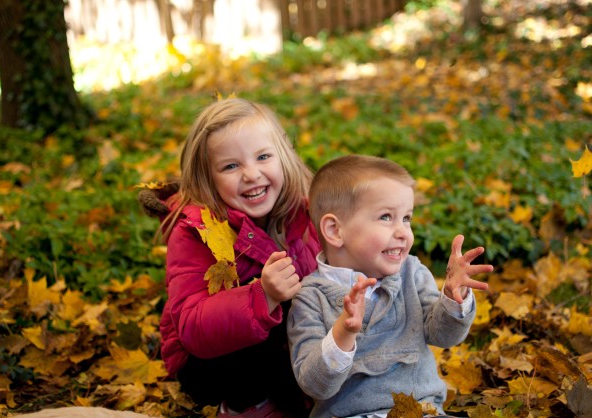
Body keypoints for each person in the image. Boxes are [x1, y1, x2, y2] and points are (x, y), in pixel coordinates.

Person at [138, 98, 321, 417]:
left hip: (287, 345)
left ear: (284, 157)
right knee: (273, 324)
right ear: (208, 178)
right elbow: (193, 330)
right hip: (210, 363)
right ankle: (245, 406)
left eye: (263, 156)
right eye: (231, 166)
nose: (252, 174)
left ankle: (297, 395)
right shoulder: (196, 232)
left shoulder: (300, 213)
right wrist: (262, 296)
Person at [287, 154, 494, 418]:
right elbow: (314, 384)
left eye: (406, 218)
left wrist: (456, 296)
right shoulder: (310, 298)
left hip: (422, 410)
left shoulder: (412, 271)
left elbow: (443, 335)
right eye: (386, 217)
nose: (403, 232)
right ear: (335, 230)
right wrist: (342, 334)